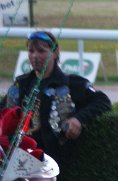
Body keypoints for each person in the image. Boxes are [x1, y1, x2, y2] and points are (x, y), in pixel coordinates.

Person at [2, 30, 111, 168]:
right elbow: (3, 112)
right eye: (31, 51)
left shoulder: (70, 83)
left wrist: (78, 119)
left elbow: (102, 100)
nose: (35, 56)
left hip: (53, 164)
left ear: (55, 52)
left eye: (41, 51)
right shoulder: (20, 84)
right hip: (18, 162)